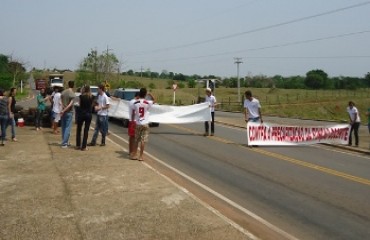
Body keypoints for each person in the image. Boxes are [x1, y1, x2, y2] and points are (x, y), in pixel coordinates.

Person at [131, 88, 155, 161]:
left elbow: (133, 113)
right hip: (145, 123)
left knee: (136, 140)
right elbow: (154, 100)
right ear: (145, 94)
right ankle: (141, 156)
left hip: (138, 123)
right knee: (143, 140)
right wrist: (150, 94)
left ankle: (134, 154)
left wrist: (132, 121)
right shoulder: (147, 103)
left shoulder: (135, 103)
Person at [76, 85, 94, 151]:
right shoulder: (92, 97)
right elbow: (92, 105)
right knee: (86, 130)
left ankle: (78, 145)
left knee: (79, 129)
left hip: (81, 114)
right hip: (88, 114)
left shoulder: (81, 96)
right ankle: (84, 146)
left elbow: (80, 104)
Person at [60, 81, 76, 148]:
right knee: (67, 128)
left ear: (68, 85)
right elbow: (70, 104)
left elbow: (60, 101)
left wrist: (63, 108)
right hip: (69, 112)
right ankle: (64, 143)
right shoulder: (72, 93)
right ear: (73, 86)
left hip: (63, 111)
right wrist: (65, 109)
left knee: (63, 127)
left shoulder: (63, 92)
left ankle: (64, 141)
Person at [128, 92, 140, 156]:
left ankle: (130, 151)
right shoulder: (135, 102)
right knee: (134, 137)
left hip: (131, 120)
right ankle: (132, 151)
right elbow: (134, 112)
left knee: (131, 137)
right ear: (137, 96)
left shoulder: (131, 101)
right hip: (134, 121)